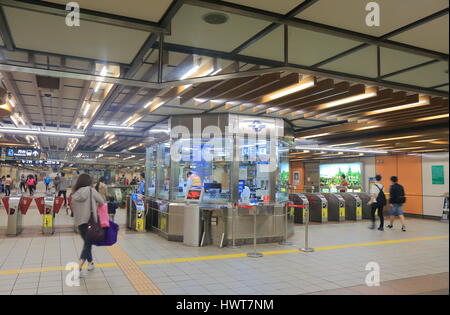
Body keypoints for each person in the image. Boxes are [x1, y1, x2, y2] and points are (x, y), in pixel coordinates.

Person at [70, 174, 105, 275]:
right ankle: (79, 265)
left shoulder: (75, 193)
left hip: (80, 223)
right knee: (87, 245)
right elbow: (102, 201)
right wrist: (94, 204)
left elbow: (73, 207)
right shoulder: (91, 190)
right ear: (88, 182)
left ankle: (90, 263)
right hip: (90, 222)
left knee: (87, 243)